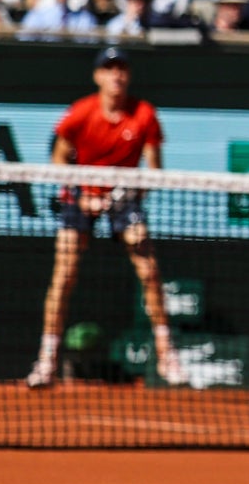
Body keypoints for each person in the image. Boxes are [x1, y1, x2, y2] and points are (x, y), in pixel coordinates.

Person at [27, 47, 183, 389]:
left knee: (149, 269)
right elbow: (59, 158)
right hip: (79, 195)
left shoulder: (144, 115)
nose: (117, 75)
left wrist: (127, 195)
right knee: (64, 272)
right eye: (109, 69)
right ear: (98, 76)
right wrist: (82, 196)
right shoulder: (81, 113)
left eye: (122, 69)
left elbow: (155, 171)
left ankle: (167, 354)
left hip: (124, 196)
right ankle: (46, 360)